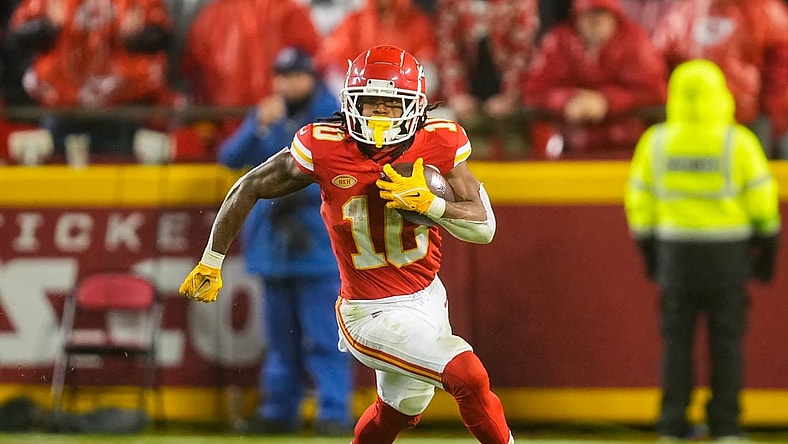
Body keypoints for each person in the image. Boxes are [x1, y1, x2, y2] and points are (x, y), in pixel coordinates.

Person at [179, 45, 515, 444]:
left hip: (428, 299)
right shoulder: (324, 145)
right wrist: (211, 260)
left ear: (415, 106)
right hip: (368, 313)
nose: (378, 116)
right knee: (467, 374)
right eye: (370, 104)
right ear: (350, 102)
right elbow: (249, 184)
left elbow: (484, 227)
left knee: (399, 412)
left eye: (390, 106)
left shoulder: (439, 143)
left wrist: (435, 205)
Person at [624, 59, 781, 442]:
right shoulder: (737, 141)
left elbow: (639, 201)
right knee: (726, 344)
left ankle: (672, 424)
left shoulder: (656, 141)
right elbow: (763, 201)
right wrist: (768, 248)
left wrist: (649, 251)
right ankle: (726, 426)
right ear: (721, 94)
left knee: (676, 344)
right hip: (728, 257)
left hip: (676, 256)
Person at [215, 47, 352, 436]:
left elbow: (337, 177)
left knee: (326, 336)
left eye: (294, 75)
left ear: (310, 76)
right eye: (281, 75)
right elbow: (229, 157)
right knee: (280, 339)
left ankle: (332, 411)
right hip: (274, 246)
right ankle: (280, 409)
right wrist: (256, 125)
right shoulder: (270, 114)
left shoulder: (331, 116)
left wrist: (288, 193)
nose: (287, 83)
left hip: (318, 245)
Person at [9, 0, 174, 160]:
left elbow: (163, 34)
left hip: (120, 107)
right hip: (63, 106)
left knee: (117, 178)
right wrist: (48, 27)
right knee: (61, 179)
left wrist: (137, 37)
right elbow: (19, 33)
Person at [522, 0, 667, 160]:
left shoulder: (637, 42)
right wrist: (567, 99)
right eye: (589, 14)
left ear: (614, 16)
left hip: (627, 146)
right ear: (577, 16)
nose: (595, 21)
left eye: (601, 14)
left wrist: (607, 101)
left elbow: (655, 91)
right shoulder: (558, 42)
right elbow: (534, 90)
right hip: (567, 145)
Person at [652, 0, 788, 158]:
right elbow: (662, 59)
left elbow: (781, 60)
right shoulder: (686, 12)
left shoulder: (765, 11)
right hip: (691, 120)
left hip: (750, 117)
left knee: (750, 169)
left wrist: (771, 106)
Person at [433, 0, 539, 160]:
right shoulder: (450, 3)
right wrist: (457, 95)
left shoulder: (521, 3)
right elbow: (448, 48)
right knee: (469, 145)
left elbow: (524, 52)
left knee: (515, 144)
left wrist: (510, 96)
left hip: (511, 90)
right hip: (470, 87)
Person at [315, 0, 437, 99]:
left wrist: (412, 95)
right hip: (361, 94)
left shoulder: (416, 23)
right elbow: (334, 59)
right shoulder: (353, 22)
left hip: (404, 97)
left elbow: (426, 64)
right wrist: (350, 92)